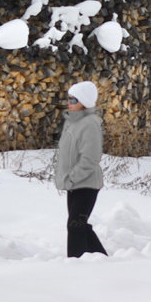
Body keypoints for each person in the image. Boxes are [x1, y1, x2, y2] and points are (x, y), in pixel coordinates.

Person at [53, 80, 108, 258]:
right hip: (75, 184)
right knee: (78, 225)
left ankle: (74, 266)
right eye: (69, 99)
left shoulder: (90, 124)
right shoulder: (73, 122)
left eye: (74, 100)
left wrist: (71, 178)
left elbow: (90, 158)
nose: (69, 102)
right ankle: (101, 259)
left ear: (84, 102)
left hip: (86, 184)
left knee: (75, 226)